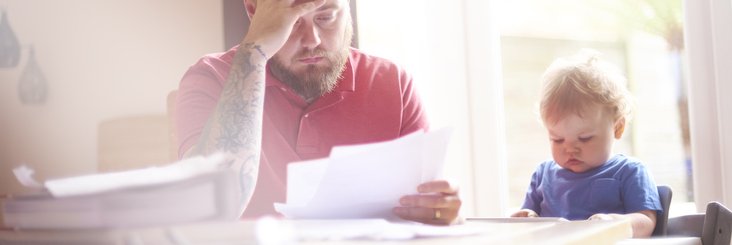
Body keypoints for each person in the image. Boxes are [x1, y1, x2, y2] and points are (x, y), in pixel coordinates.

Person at [175, 0, 461, 224]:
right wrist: (253, 54)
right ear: (254, 12)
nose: (311, 39)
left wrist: (440, 214)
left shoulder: (394, 83)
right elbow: (212, 207)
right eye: (292, 19)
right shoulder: (210, 79)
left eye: (326, 17)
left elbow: (425, 213)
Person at [510, 50, 662, 237]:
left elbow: (647, 221)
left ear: (618, 128)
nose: (569, 148)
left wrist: (616, 224)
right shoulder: (543, 175)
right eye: (557, 139)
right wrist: (526, 218)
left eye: (585, 138)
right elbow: (529, 222)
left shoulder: (630, 172)